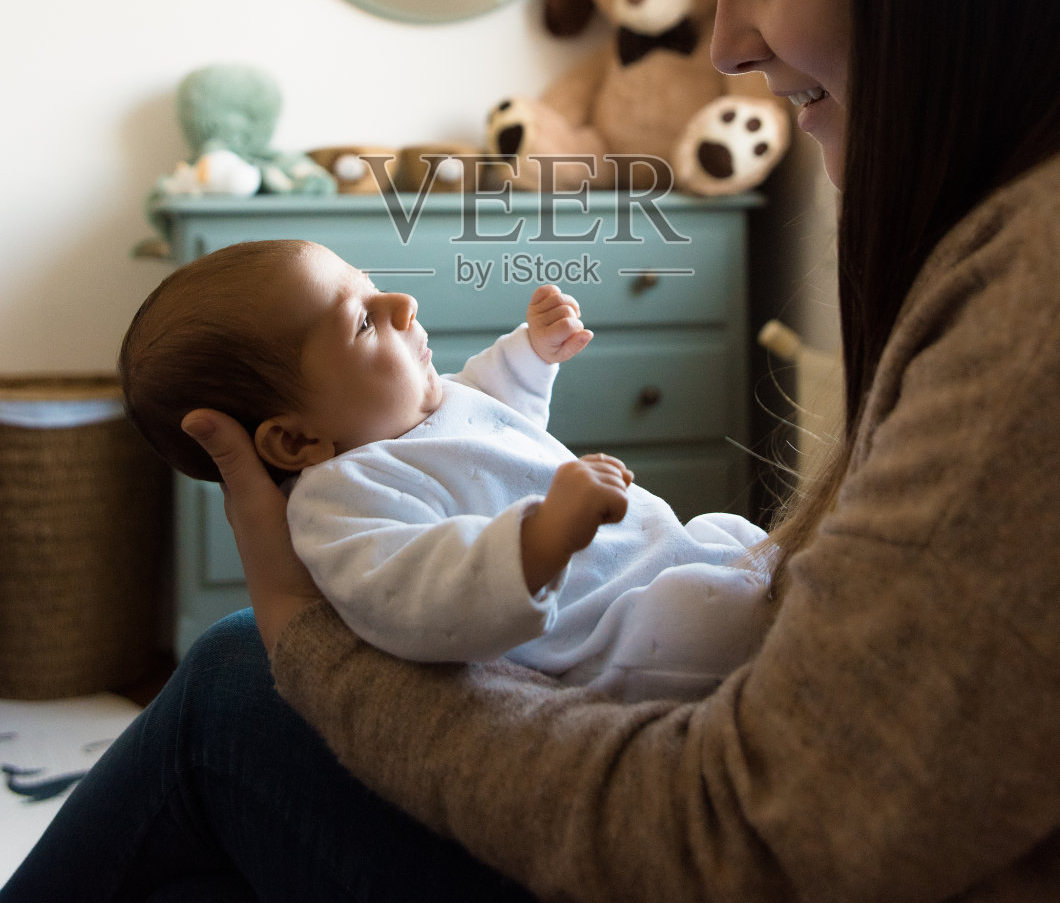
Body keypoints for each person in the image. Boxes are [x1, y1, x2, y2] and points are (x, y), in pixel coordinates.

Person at [0, 0, 1059, 903]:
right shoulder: (995, 250)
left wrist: (315, 656)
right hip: (763, 875)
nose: (729, 39)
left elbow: (757, 844)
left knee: (238, 691)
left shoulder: (1032, 295)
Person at [119, 242, 770, 700]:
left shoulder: (424, 407)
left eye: (375, 286)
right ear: (294, 438)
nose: (402, 305)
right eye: (364, 322)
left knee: (737, 539)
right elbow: (420, 597)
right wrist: (544, 537)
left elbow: (486, 408)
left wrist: (532, 354)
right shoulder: (342, 499)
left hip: (663, 553)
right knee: (711, 617)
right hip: (619, 637)